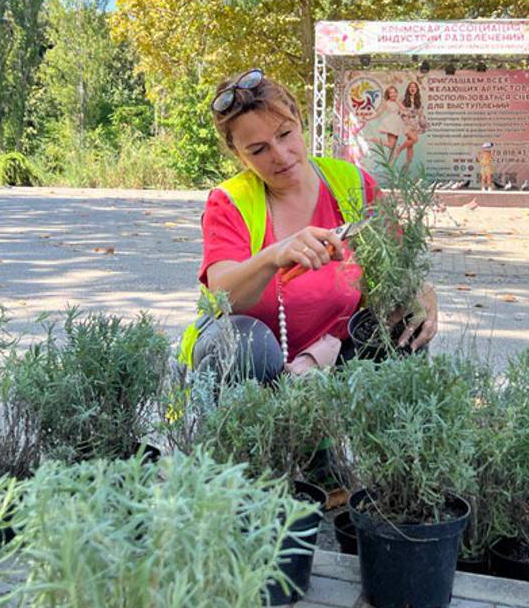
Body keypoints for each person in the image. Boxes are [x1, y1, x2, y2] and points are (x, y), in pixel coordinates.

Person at [183, 68, 439, 383]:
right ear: (239, 154)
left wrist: (423, 292)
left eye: (285, 134)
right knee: (251, 345)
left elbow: (399, 270)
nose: (280, 155)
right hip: (247, 365)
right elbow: (223, 294)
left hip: (332, 355)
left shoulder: (352, 183)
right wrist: (274, 256)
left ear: (299, 119)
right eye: (259, 150)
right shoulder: (230, 200)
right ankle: (235, 429)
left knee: (406, 319)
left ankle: (379, 428)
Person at [374, 84, 408, 164]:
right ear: (388, 95)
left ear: (396, 93)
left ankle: (390, 163)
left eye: (394, 92)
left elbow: (404, 109)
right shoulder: (387, 103)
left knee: (393, 147)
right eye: (390, 93)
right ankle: (374, 139)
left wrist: (397, 101)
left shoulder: (397, 102)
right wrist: (369, 117)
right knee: (391, 145)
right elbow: (379, 113)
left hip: (397, 123)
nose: (393, 94)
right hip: (390, 123)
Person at [399, 80, 429, 167]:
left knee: (410, 145)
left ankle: (408, 164)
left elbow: (420, 112)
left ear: (417, 89)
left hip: (414, 123)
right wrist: (405, 116)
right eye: (411, 87)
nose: (412, 88)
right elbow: (400, 111)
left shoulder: (419, 99)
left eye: (414, 87)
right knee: (414, 139)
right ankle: (399, 148)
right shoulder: (403, 98)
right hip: (406, 122)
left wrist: (423, 121)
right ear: (408, 89)